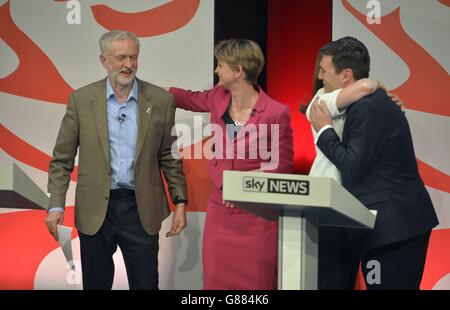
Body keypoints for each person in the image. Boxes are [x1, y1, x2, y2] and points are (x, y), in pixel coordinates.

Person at [45, 30, 188, 290]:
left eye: (133, 57)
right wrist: (56, 206)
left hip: (140, 209)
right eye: (121, 57)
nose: (129, 65)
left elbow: (169, 155)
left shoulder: (160, 101)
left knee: (146, 285)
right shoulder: (81, 100)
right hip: (95, 211)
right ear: (104, 61)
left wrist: (180, 201)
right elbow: (61, 159)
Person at [309, 36, 439, 290]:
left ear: (346, 75)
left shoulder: (367, 108)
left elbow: (352, 165)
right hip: (392, 227)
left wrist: (325, 130)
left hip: (394, 230)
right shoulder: (367, 102)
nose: (320, 78)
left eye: (324, 71)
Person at [167, 39, 294, 289]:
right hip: (220, 212)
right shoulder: (217, 98)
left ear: (238, 71)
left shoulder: (276, 112)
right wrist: (147, 88)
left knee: (256, 284)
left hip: (256, 215)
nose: (216, 71)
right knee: (215, 282)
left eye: (220, 65)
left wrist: (242, 185)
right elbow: (189, 99)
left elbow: (283, 165)